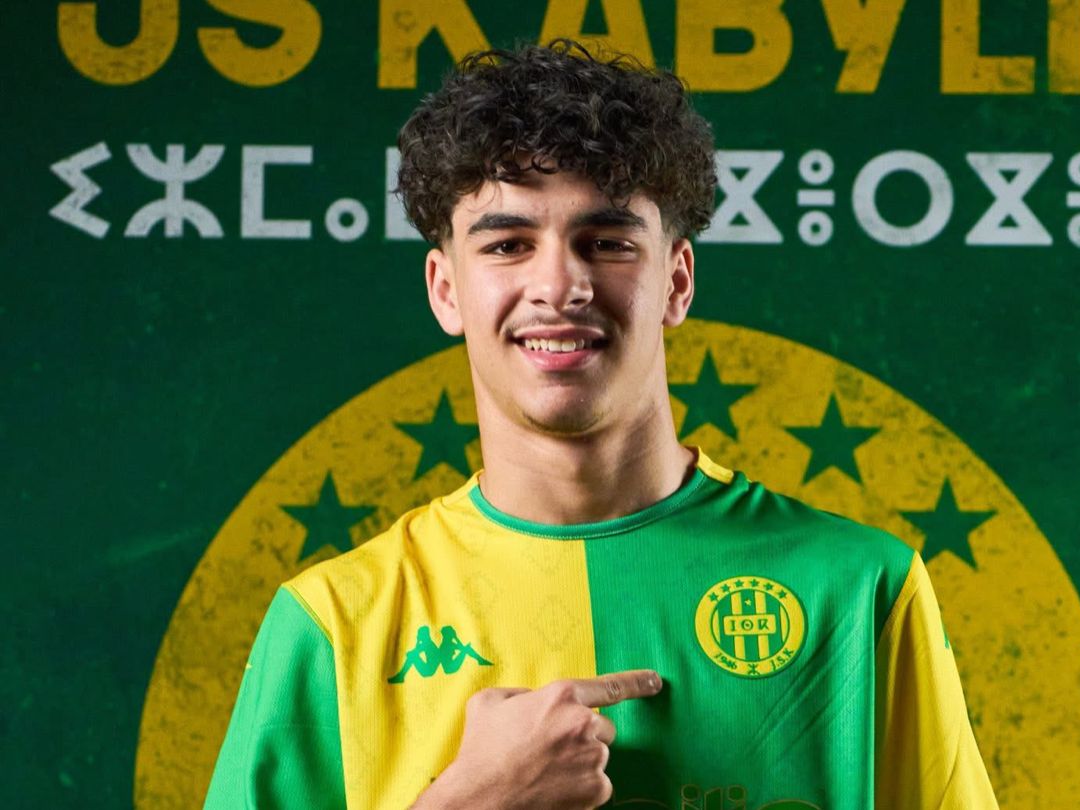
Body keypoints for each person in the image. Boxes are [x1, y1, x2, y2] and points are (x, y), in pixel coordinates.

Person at [204, 39, 998, 810]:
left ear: (676, 281)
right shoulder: (332, 624)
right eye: (508, 244)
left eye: (608, 242)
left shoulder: (861, 591)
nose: (560, 284)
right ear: (446, 290)